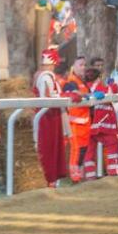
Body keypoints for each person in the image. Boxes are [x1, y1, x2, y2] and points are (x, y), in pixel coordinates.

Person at [33, 49, 67, 187]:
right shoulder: (46, 77)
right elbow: (46, 97)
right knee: (48, 148)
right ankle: (49, 181)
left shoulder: (43, 76)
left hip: (50, 116)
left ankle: (52, 181)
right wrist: (66, 96)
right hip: (48, 117)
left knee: (51, 147)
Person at [85, 67, 118, 179]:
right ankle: (113, 172)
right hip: (104, 124)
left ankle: (90, 176)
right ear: (99, 77)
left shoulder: (84, 88)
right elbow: (112, 93)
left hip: (88, 125)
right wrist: (113, 85)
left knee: (89, 151)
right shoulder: (102, 87)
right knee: (112, 145)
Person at [61, 56, 92, 182]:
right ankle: (74, 177)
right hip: (74, 123)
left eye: (84, 65)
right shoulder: (71, 81)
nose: (83, 67)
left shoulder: (82, 81)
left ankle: (78, 175)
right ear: (74, 67)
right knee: (76, 150)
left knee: (82, 150)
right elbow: (74, 93)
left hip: (84, 122)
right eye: (81, 65)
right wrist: (89, 95)